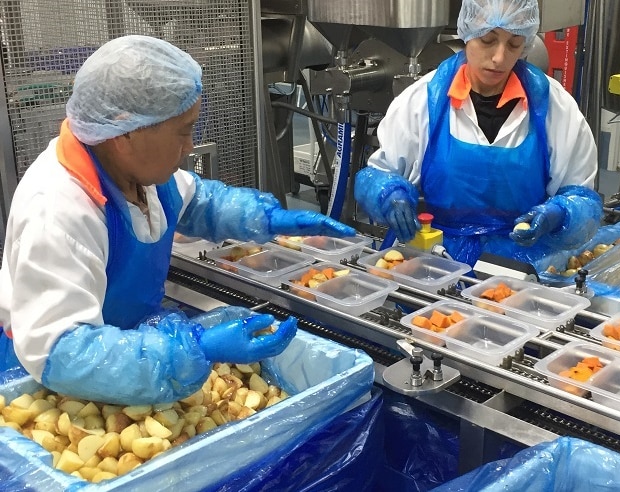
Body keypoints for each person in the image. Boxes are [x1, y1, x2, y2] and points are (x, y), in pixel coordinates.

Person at [0, 35, 356, 405]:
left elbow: (200, 203)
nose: (189, 147)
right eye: (183, 131)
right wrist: (194, 347)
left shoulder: (136, 172)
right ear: (126, 133)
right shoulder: (58, 208)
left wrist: (269, 218)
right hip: (57, 389)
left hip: (135, 362)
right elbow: (63, 353)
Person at [354, 0, 602, 267]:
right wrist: (388, 195)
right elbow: (377, 175)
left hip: (523, 272)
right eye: (487, 40)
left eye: (514, 44)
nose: (499, 57)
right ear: (467, 33)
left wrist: (559, 214)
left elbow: (583, 202)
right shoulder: (424, 100)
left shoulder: (554, 106)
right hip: (436, 262)